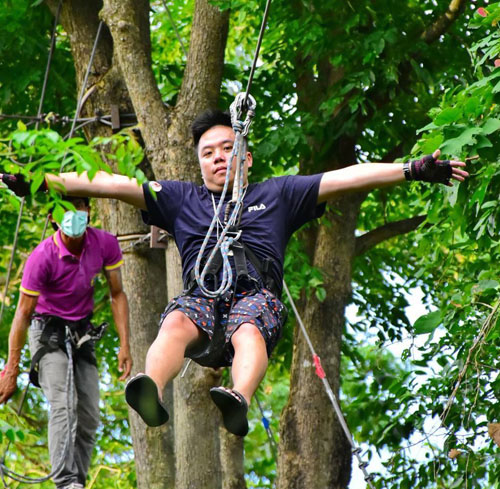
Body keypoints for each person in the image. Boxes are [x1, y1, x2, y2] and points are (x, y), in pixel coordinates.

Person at [0, 110, 468, 439]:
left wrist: (411, 170)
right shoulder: (181, 199)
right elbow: (110, 184)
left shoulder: (279, 194)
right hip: (202, 297)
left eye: (229, 149)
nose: (219, 157)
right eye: (209, 152)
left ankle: (238, 398)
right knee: (176, 322)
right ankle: (150, 388)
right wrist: (42, 182)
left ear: (245, 156)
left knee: (249, 328)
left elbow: (347, 176)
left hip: (254, 295)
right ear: (199, 162)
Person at [0, 196, 133, 489]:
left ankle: (76, 487)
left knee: (88, 414)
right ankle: (64, 483)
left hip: (81, 331)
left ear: (90, 210)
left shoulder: (105, 244)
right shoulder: (42, 256)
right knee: (63, 403)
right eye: (65, 209)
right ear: (53, 218)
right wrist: (11, 368)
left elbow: (117, 294)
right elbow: (21, 315)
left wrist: (125, 345)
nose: (74, 214)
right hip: (46, 331)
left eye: (80, 206)